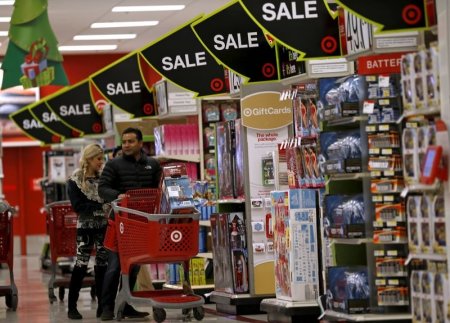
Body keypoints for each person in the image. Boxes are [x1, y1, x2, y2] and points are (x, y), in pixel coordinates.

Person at [98, 127, 161, 321]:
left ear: (140, 144)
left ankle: (125, 305)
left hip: (142, 223)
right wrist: (117, 195)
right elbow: (102, 188)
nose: (126, 145)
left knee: (134, 266)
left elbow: (159, 189)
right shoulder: (114, 164)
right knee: (115, 266)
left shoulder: (152, 164)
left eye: (130, 141)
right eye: (124, 142)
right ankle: (106, 308)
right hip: (120, 223)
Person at [66, 143, 109, 320]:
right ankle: (72, 307)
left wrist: (98, 207)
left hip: (104, 228)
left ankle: (102, 306)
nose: (101, 162)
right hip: (85, 228)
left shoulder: (104, 178)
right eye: (99, 159)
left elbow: (108, 200)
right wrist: (101, 207)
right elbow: (78, 206)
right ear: (90, 159)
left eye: (103, 159)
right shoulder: (75, 179)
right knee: (81, 265)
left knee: (102, 266)